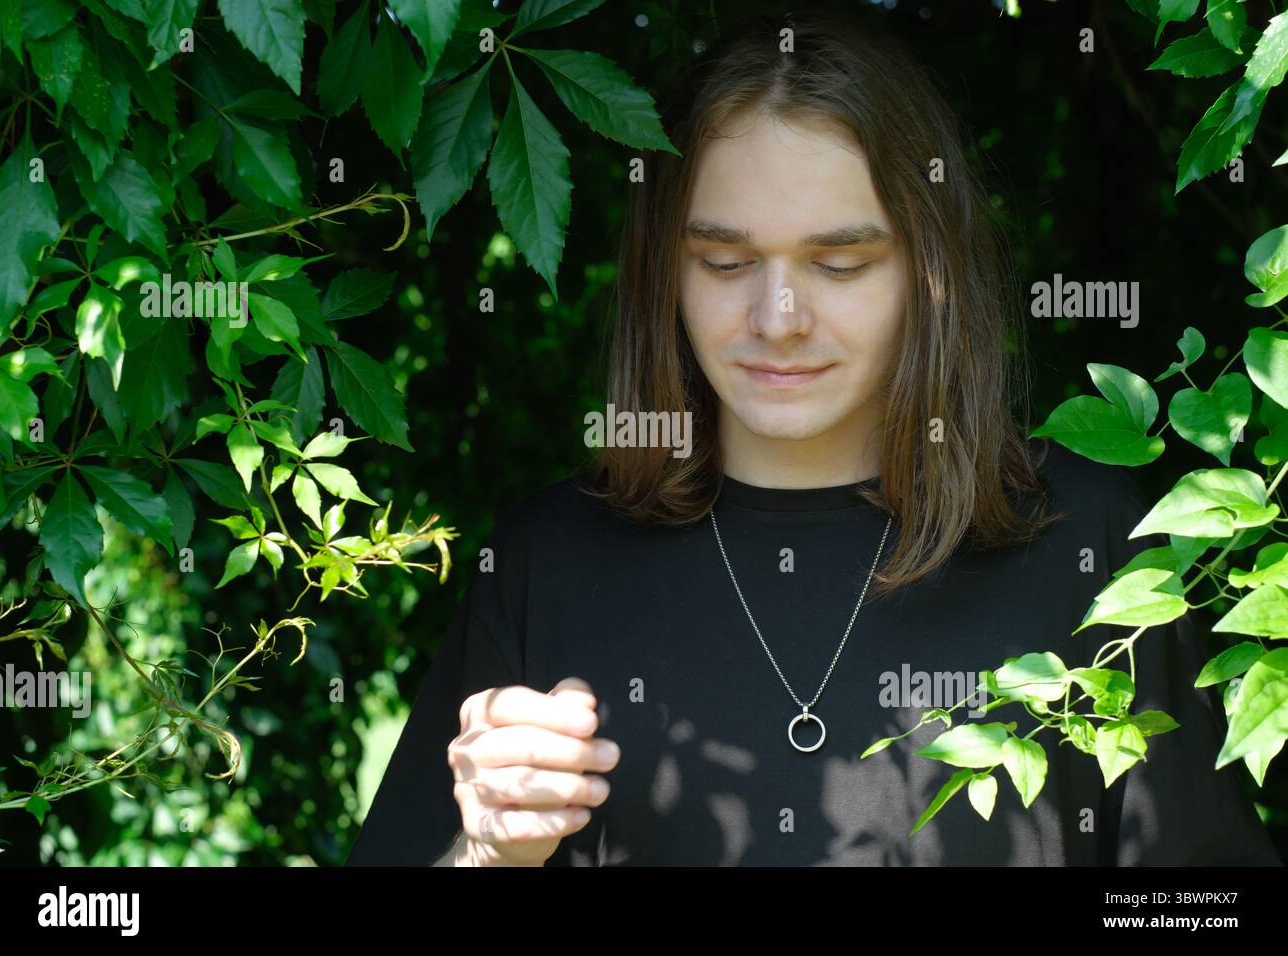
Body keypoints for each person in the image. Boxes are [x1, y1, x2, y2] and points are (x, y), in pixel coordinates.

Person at [345, 10, 1280, 866]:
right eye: (726, 261)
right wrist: (487, 856)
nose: (777, 317)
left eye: (839, 264)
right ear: (666, 269)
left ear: (932, 270)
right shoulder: (545, 563)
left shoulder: (1093, 543)